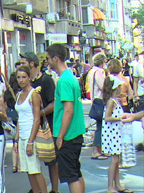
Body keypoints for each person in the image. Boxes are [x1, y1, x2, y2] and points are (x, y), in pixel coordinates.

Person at [46, 43, 86, 193]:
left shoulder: (63, 81)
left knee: (71, 176)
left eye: (49, 58)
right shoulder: (70, 77)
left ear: (56, 58)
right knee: (75, 172)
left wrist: (60, 136)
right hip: (75, 133)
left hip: (68, 135)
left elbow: (68, 110)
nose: (48, 62)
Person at [20, 51, 59, 193]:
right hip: (30, 128)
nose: (21, 65)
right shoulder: (26, 82)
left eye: (23, 63)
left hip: (46, 126)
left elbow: (54, 104)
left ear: (32, 63)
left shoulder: (46, 80)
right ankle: (37, 188)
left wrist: (40, 113)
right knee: (33, 163)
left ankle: (54, 190)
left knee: (51, 160)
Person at [13, 66, 48, 193]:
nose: (21, 80)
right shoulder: (18, 94)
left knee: (35, 169)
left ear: (29, 78)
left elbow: (37, 119)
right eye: (19, 77)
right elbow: (19, 118)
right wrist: (16, 139)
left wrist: (31, 141)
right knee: (29, 170)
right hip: (22, 136)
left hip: (31, 136)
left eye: (24, 77)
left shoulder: (34, 94)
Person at [101, 76, 134, 193]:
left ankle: (117, 184)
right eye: (120, 86)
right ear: (116, 88)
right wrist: (120, 118)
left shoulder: (114, 100)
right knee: (115, 160)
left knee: (116, 159)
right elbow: (107, 117)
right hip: (113, 133)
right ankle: (111, 186)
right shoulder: (112, 101)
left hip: (115, 133)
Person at [87, 53, 108, 160]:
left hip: (94, 99)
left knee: (100, 125)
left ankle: (99, 149)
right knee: (101, 126)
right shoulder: (99, 72)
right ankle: (96, 150)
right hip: (100, 99)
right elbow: (103, 85)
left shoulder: (91, 71)